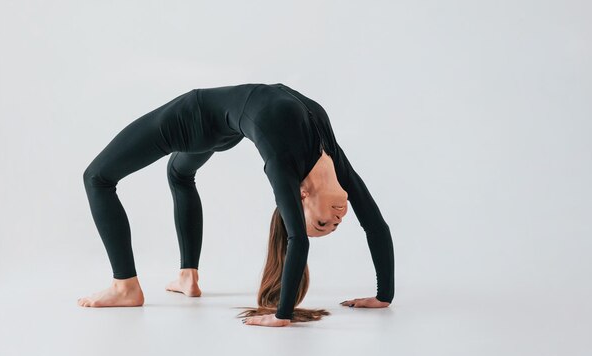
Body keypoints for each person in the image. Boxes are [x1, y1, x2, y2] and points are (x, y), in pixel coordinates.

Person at [78, 83, 394, 327]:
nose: (337, 219)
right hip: (223, 130)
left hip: (194, 118)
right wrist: (384, 296)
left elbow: (297, 238)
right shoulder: (333, 161)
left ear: (301, 199)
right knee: (179, 174)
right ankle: (188, 278)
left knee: (97, 178)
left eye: (323, 223)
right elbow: (375, 223)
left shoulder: (283, 165)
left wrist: (282, 315)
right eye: (330, 224)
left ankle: (125, 287)